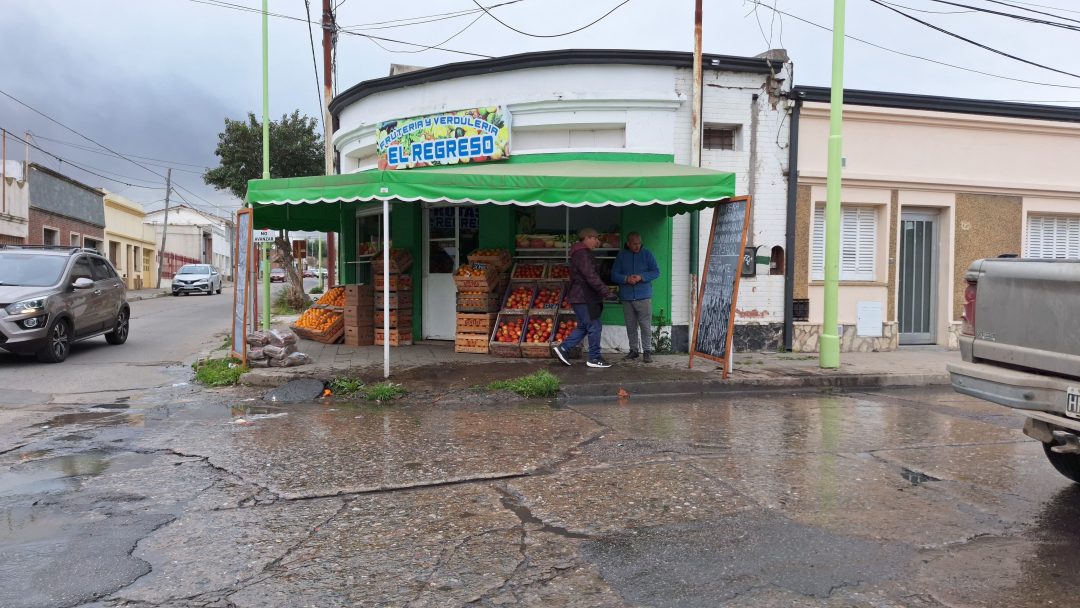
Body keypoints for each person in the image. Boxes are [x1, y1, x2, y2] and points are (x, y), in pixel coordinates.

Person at [553, 227, 616, 368]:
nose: (597, 241)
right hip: (584, 296)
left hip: (580, 296)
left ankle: (564, 348)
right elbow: (590, 276)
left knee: (584, 327)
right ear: (587, 238)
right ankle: (594, 358)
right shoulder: (582, 253)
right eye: (595, 238)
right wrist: (606, 292)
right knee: (595, 326)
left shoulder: (580, 252)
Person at [611, 232, 660, 363]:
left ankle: (647, 351)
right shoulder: (621, 256)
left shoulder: (647, 254)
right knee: (630, 325)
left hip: (644, 296)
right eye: (634, 244)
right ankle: (633, 350)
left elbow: (656, 271)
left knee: (645, 325)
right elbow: (613, 275)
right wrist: (626, 279)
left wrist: (641, 277)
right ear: (628, 243)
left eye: (639, 243)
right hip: (627, 297)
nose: (637, 246)